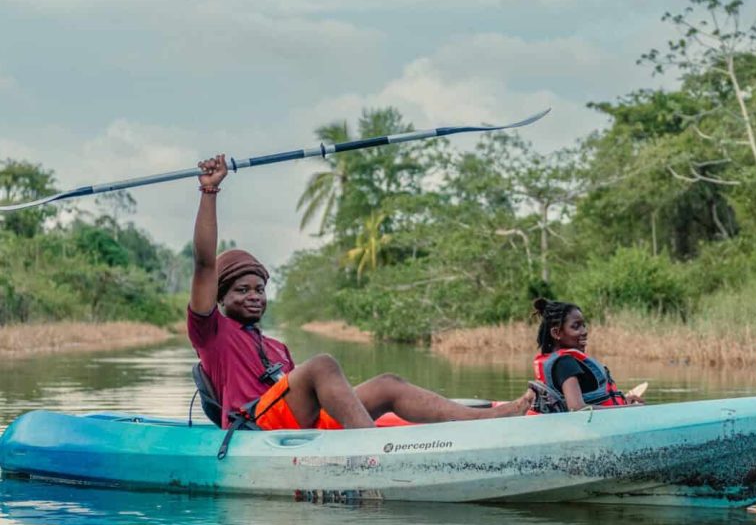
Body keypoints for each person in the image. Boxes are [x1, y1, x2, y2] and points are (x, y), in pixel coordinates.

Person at [188, 153, 533, 431]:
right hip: (256, 427)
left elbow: (302, 400)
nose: (254, 296)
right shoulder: (212, 332)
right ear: (221, 298)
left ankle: (488, 419)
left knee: (387, 382)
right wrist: (209, 192)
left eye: (260, 289)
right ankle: (371, 450)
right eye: (242, 290)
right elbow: (205, 263)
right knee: (322, 363)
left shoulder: (277, 347)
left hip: (294, 421)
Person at [530, 298, 643, 412]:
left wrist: (623, 402)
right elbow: (578, 409)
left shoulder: (559, 361)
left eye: (583, 325)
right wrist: (629, 409)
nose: (584, 331)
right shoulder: (564, 363)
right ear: (556, 333)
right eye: (576, 326)